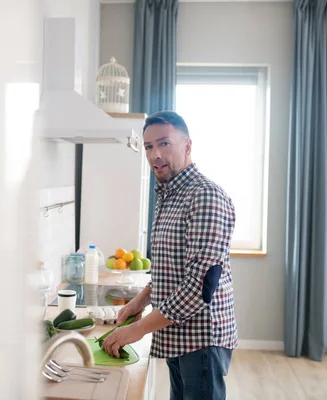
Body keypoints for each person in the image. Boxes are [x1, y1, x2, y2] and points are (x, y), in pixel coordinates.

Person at [102, 111, 238, 399]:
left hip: (201, 338)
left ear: (187, 146)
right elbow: (172, 269)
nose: (155, 155)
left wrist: (137, 330)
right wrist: (139, 301)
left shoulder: (204, 196)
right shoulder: (168, 195)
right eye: (149, 147)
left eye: (164, 144)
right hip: (177, 333)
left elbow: (199, 286)